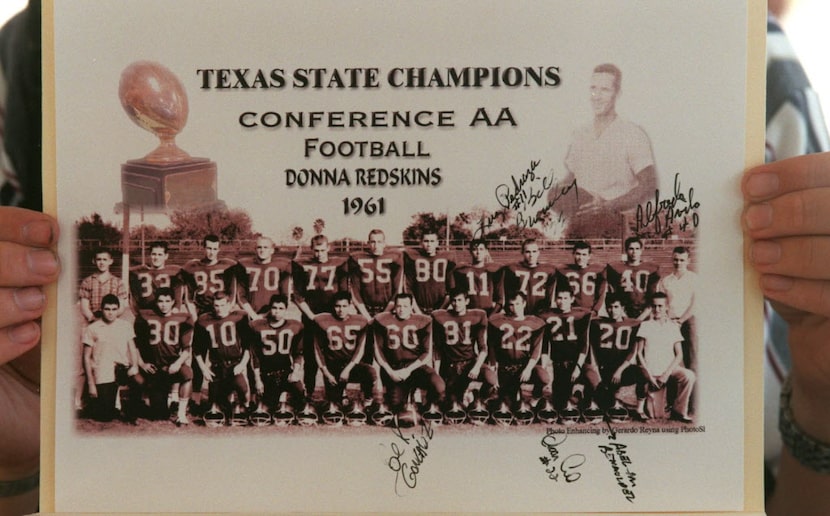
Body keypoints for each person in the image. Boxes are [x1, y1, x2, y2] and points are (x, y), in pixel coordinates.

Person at [559, 63, 657, 238]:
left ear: (617, 93)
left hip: (614, 225)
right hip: (579, 227)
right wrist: (560, 192)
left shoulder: (632, 133)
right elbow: (573, 177)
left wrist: (608, 205)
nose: (597, 96)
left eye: (605, 89)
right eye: (593, 89)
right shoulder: (580, 134)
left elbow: (649, 185)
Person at [372, 293, 444, 413]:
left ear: (411, 307)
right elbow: (378, 351)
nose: (402, 309)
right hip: (395, 368)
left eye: (405, 306)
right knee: (396, 405)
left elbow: (427, 352)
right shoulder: (382, 320)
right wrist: (390, 372)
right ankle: (407, 398)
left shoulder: (423, 321)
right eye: (399, 306)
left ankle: (426, 408)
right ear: (394, 307)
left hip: (416, 367)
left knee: (439, 387)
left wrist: (409, 370)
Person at [132, 287, 194, 425]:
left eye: (167, 301)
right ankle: (143, 403)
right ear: (156, 302)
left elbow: (186, 349)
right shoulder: (145, 316)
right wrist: (142, 363)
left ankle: (181, 414)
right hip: (153, 367)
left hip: (171, 364)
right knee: (159, 415)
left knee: (187, 373)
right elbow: (135, 344)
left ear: (173, 302)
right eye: (160, 301)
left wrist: (177, 363)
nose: (164, 304)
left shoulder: (184, 318)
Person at [584, 294, 648, 420]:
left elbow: (632, 351)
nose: (612, 310)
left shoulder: (633, 324)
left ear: (622, 308)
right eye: (610, 307)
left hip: (621, 370)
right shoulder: (597, 323)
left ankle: (639, 409)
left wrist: (620, 370)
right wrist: (596, 368)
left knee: (642, 374)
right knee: (607, 406)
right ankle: (591, 400)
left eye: (616, 307)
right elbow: (592, 348)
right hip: (604, 370)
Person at [312, 291, 380, 408]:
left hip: (353, 365)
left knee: (370, 372)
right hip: (333, 367)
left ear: (350, 306)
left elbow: (360, 349)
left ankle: (368, 397)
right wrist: (327, 373)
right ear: (333, 307)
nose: (341, 310)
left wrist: (348, 369)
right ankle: (341, 394)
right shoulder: (322, 321)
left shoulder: (360, 321)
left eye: (344, 306)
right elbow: (318, 351)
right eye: (337, 306)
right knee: (335, 405)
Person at [82, 294, 142, 423]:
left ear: (118, 310)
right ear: (102, 309)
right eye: (107, 309)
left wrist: (135, 366)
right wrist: (91, 384)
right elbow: (86, 357)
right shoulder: (92, 328)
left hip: (122, 368)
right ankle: (112, 402)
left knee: (139, 380)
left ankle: (131, 411)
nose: (110, 313)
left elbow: (132, 348)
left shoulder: (125, 326)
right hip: (103, 370)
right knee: (106, 417)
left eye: (114, 309)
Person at [635, 292, 695, 423]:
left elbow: (679, 354)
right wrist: (648, 375)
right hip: (651, 371)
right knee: (656, 415)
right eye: (654, 306)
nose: (657, 309)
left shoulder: (673, 327)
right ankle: (648, 405)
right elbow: (639, 353)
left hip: (668, 370)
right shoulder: (645, 326)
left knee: (688, 375)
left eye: (660, 306)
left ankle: (679, 412)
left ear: (667, 307)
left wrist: (666, 374)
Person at [483, 291, 548, 409]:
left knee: (543, 377)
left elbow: (536, 350)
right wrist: (493, 365)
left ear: (524, 303)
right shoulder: (499, 321)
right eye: (511, 305)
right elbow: (492, 345)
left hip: (524, 365)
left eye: (518, 304)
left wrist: (528, 368)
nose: (514, 308)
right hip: (506, 367)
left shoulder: (534, 322)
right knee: (509, 405)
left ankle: (535, 399)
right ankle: (485, 398)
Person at [431, 288, 489, 408]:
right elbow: (437, 348)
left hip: (470, 363)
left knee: (491, 379)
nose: (456, 304)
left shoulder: (478, 316)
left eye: (460, 300)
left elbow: (483, 348)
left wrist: (477, 367)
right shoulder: (440, 317)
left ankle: (478, 398)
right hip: (451, 366)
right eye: (454, 300)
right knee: (451, 402)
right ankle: (466, 397)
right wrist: (437, 371)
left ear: (467, 301)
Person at [249, 294, 305, 413]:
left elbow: (298, 353)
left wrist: (296, 372)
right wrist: (257, 380)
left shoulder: (294, 326)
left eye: (281, 309)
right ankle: (278, 401)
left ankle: (287, 401)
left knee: (300, 394)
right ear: (270, 309)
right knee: (270, 406)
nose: (277, 312)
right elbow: (255, 356)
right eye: (274, 308)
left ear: (285, 310)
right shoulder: (258, 326)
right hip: (267, 374)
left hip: (286, 372)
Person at [347, 228, 403, 320]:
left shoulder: (395, 257)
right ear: (368, 243)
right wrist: (367, 317)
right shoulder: (356, 258)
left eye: (379, 242)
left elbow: (397, 290)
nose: (376, 245)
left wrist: (385, 314)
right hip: (365, 310)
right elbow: (355, 291)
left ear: (384, 243)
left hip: (388, 310)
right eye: (373, 242)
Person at [656, 246, 697, 370]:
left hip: (689, 321)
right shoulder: (666, 281)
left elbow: (695, 304)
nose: (678, 263)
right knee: (669, 357)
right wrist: (668, 321)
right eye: (676, 260)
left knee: (691, 357)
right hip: (670, 321)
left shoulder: (694, 279)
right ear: (672, 259)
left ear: (688, 261)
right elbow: (662, 303)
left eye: (682, 260)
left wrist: (681, 321)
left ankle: (695, 388)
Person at [497, 238, 557, 315]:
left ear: (538, 252)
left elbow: (549, 295)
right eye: (528, 252)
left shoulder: (548, 270)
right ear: (522, 253)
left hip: (540, 312)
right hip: (519, 312)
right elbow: (507, 292)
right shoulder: (512, 269)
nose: (531, 255)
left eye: (534, 251)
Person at [237, 236, 292, 319]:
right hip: (250, 315)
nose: (262, 250)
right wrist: (253, 315)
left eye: (266, 247)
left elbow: (285, 296)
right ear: (255, 249)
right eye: (259, 247)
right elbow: (241, 296)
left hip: (274, 315)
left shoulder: (281, 266)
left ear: (272, 250)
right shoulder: (245, 266)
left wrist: (269, 313)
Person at [605, 236, 660, 319]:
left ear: (641, 250)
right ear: (626, 250)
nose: (634, 252)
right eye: (631, 249)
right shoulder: (616, 269)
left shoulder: (651, 269)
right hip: (623, 312)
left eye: (637, 249)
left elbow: (652, 297)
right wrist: (624, 316)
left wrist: (641, 317)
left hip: (645, 312)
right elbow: (613, 296)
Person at [402, 231, 456, 315]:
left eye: (432, 241)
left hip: (441, 308)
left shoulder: (446, 259)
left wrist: (440, 311)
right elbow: (408, 288)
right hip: (418, 308)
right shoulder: (413, 258)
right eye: (426, 241)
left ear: (437, 243)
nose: (429, 244)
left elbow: (452, 290)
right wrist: (417, 311)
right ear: (421, 242)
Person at [128, 241, 189, 313]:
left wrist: (173, 313)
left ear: (166, 256)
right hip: (146, 314)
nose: (156, 257)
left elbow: (177, 300)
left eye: (160, 254)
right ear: (150, 255)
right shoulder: (138, 272)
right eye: (154, 254)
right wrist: (139, 315)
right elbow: (134, 299)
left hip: (166, 314)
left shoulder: (174, 273)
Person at [448, 238, 501, 313]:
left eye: (481, 249)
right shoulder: (461, 271)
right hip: (469, 313)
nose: (478, 252)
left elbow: (500, 299)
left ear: (486, 251)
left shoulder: (493, 271)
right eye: (475, 249)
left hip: (488, 312)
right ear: (470, 251)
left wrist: (492, 315)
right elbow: (456, 295)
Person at [556, 240, 607, 314]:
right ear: (573, 254)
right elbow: (559, 293)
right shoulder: (564, 271)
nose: (580, 257)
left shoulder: (598, 271)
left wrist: (595, 310)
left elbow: (601, 293)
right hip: (570, 311)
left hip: (589, 310)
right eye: (578, 254)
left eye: (584, 254)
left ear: (589, 256)